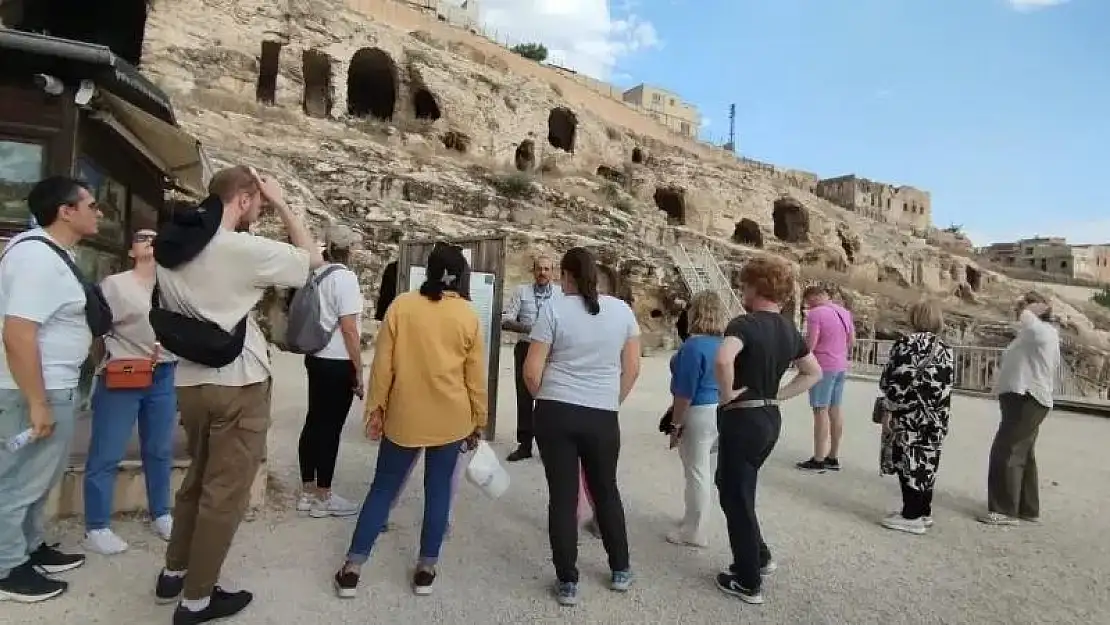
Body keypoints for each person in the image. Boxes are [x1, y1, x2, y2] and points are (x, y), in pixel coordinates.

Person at [152, 166, 324, 624]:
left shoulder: (172, 247)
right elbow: (311, 260)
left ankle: (175, 571)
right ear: (244, 199)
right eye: (258, 204)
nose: (260, 210)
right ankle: (197, 600)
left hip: (190, 381)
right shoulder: (239, 249)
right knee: (224, 494)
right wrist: (284, 202)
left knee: (197, 479)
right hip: (238, 383)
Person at [334, 242, 487, 599]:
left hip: (405, 416)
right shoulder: (468, 314)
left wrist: (375, 410)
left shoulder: (401, 307)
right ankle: (426, 569)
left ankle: (353, 568)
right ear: (460, 276)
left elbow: (383, 368)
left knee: (382, 488)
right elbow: (475, 377)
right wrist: (479, 418)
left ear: (428, 271)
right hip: (451, 419)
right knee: (437, 492)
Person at [0, 176, 100, 602]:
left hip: (55, 388)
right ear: (66, 211)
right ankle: (6, 567)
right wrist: (37, 402)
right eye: (92, 205)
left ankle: (28, 547)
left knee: (38, 480)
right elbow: (18, 334)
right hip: (36, 392)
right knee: (18, 480)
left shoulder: (54, 255)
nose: (99, 212)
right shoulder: (36, 258)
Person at [523, 247, 641, 606]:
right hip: (601, 414)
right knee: (606, 490)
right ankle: (620, 568)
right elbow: (632, 368)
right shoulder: (622, 311)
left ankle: (567, 580)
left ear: (568, 275)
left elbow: (531, 370)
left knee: (563, 497)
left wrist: (546, 400)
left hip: (557, 410)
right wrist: (610, 401)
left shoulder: (554, 308)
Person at [713, 256, 822, 605]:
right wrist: (778, 395)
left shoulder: (743, 324)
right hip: (769, 419)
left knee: (735, 495)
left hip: (743, 418)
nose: (742, 290)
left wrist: (727, 393)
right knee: (736, 489)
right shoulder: (789, 330)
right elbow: (812, 372)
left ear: (756, 287)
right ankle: (759, 555)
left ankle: (748, 580)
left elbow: (723, 358)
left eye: (744, 285)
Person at [83, 228, 179, 555]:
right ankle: (97, 525)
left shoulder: (173, 285)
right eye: (140, 237)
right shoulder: (114, 285)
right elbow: (96, 328)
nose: (149, 240)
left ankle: (161, 513)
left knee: (159, 448)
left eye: (155, 236)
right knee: (107, 451)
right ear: (130, 250)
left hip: (164, 373)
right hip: (124, 372)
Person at [296, 228, 364, 518]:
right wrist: (358, 371)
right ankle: (324, 496)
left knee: (313, 421)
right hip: (337, 360)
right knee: (331, 428)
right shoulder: (346, 278)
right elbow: (349, 329)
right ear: (348, 250)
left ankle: (307, 491)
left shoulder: (316, 274)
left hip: (315, 356)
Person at [980, 292, 1060, 526]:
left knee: (1007, 450)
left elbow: (1028, 321)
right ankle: (1026, 507)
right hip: (1019, 399)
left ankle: (1004, 510)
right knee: (1023, 452)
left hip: (1028, 399)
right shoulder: (1029, 335)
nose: (1018, 309)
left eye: (1023, 306)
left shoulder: (1043, 332)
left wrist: (1032, 308)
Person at [877, 300, 955, 535]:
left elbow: (893, 382)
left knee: (907, 461)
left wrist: (888, 408)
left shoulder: (906, 344)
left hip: (910, 415)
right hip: (936, 416)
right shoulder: (946, 348)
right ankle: (924, 511)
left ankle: (911, 514)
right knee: (927, 462)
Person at [666, 290, 727, 548]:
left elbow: (684, 392)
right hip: (717, 409)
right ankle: (692, 520)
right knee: (700, 469)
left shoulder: (693, 347)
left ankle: (695, 530)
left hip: (698, 410)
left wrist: (675, 424)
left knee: (696, 471)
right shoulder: (723, 344)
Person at [502, 254, 562, 462]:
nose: (542, 273)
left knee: (550, 397)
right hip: (526, 348)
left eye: (547, 269)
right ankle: (525, 444)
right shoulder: (522, 292)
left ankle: (550, 446)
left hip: (551, 351)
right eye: (539, 269)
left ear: (553, 272)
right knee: (524, 396)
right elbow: (507, 320)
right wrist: (533, 329)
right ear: (533, 271)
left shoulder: (561, 295)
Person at [796, 285, 854, 472]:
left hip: (823, 365)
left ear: (813, 297)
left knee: (820, 410)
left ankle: (818, 458)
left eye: (808, 302)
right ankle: (833, 456)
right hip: (840, 365)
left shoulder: (815, 314)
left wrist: (798, 359)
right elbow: (851, 340)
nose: (808, 306)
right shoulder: (844, 313)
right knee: (835, 409)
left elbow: (811, 343)